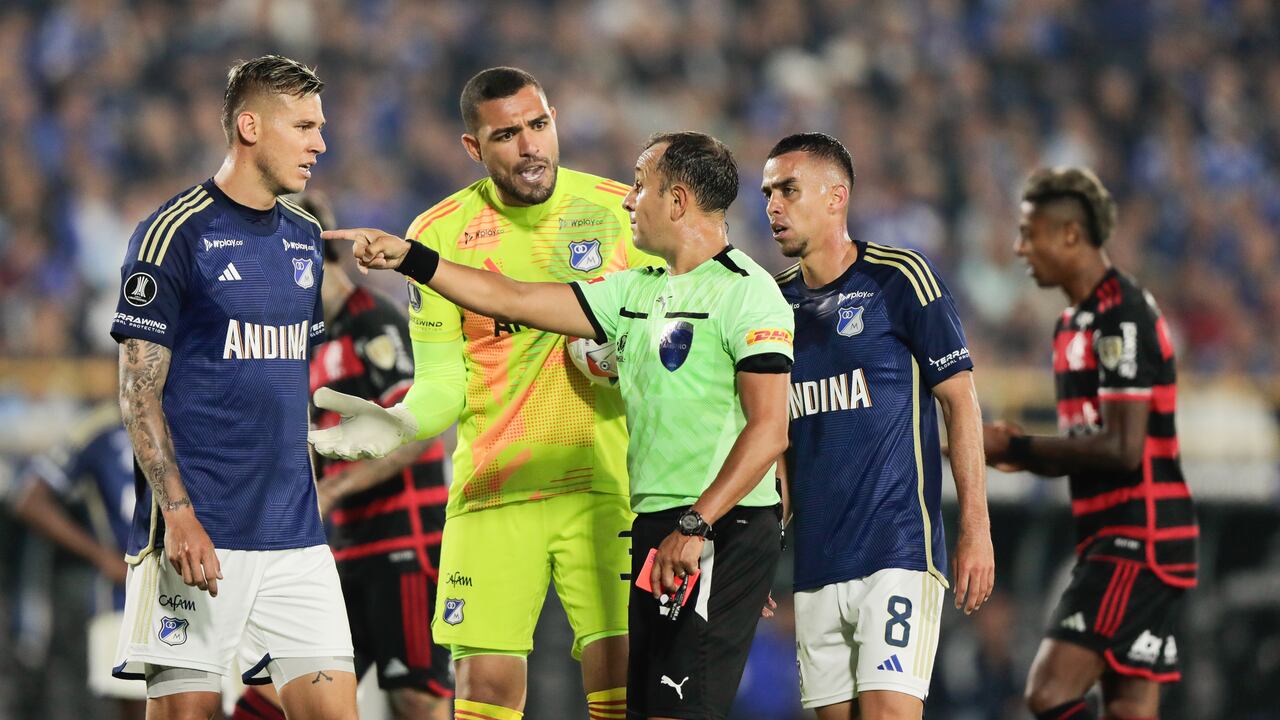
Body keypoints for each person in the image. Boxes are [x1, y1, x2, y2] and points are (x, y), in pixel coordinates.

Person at [316, 131, 794, 720]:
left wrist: (702, 527)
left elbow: (770, 431)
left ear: (676, 202)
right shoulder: (637, 292)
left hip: (713, 524)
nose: (626, 201)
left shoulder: (749, 293)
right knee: (648, 709)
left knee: (682, 710)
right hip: (655, 521)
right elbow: (512, 298)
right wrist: (414, 258)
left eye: (640, 185)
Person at [310, 67, 655, 720]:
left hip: (605, 488)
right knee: (485, 694)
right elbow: (444, 382)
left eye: (539, 126)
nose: (530, 146)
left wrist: (630, 357)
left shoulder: (619, 213)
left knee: (623, 688)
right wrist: (399, 421)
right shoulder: (438, 235)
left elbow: (673, 338)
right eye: (507, 135)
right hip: (494, 492)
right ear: (474, 148)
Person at [108, 55, 356, 719]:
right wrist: (181, 516)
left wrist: (337, 440)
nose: (320, 144)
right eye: (304, 126)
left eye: (320, 126)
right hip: (199, 535)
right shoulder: (171, 234)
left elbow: (288, 384)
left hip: (296, 540)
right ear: (249, 126)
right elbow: (137, 394)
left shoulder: (306, 238)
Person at [763, 132, 995, 720]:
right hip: (816, 563)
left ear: (836, 196)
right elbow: (772, 439)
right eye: (767, 192)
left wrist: (975, 527)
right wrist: (758, 553)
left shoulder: (900, 278)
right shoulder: (770, 304)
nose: (772, 206)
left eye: (788, 189)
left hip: (897, 550)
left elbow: (960, 403)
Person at [984, 167, 1197, 720]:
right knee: (1128, 711)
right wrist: (1023, 457)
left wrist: (1021, 448)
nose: (1019, 248)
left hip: (1138, 538)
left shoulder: (1120, 314)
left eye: (1030, 234)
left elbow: (1122, 449)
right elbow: (1088, 444)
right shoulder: (1071, 325)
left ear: (1070, 235)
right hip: (1113, 534)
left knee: (1049, 693)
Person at [231, 193, 452, 720]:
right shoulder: (304, 341)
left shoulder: (374, 322)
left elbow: (420, 433)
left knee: (415, 700)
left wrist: (330, 490)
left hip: (405, 545)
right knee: (274, 695)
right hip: (339, 553)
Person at [10, 402, 142, 719]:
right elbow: (29, 499)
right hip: (123, 599)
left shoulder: (192, 412)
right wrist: (102, 555)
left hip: (196, 585)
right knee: (142, 709)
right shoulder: (98, 428)